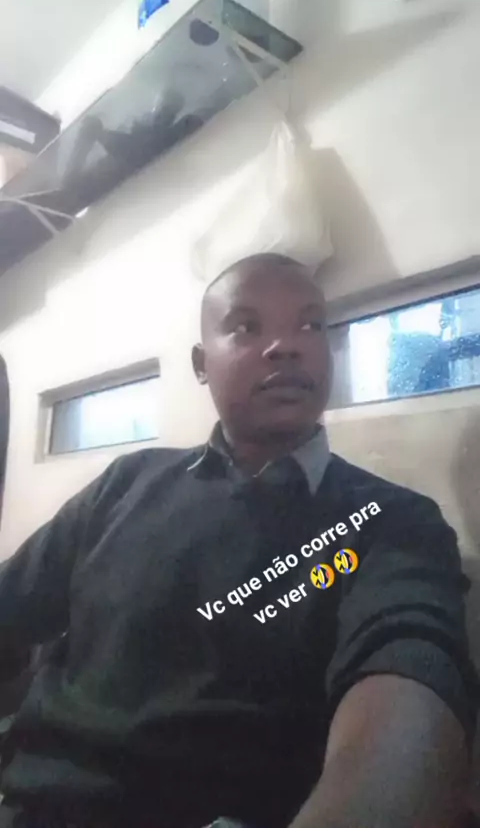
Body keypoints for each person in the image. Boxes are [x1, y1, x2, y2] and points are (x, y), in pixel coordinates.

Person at [0, 253, 477, 828]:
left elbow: (410, 683)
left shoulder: (390, 521)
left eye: (310, 324)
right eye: (248, 327)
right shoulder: (127, 483)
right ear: (201, 364)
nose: (287, 346)